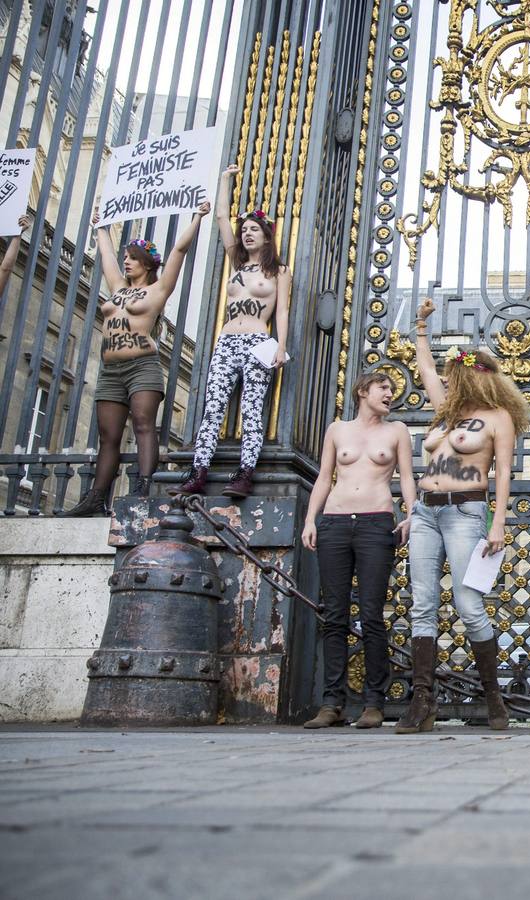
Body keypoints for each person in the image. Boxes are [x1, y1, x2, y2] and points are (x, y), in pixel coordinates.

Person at [396, 297, 530, 734]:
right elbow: (424, 371)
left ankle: (494, 699)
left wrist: (498, 523)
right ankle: (422, 705)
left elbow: (505, 472)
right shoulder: (444, 413)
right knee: (423, 605)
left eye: (459, 373)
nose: (451, 380)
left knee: (469, 605)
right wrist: (420, 326)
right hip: (424, 514)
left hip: (466, 512)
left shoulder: (497, 418)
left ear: (477, 375)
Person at [65, 205, 210, 516]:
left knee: (144, 426)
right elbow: (106, 258)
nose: (126, 261)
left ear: (145, 263)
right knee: (108, 436)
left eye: (131, 257)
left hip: (142, 366)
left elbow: (179, 250)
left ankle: (143, 491)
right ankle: (96, 498)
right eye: (126, 258)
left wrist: (197, 217)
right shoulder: (117, 288)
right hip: (111, 370)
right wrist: (100, 227)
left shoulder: (158, 290)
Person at [300, 371, 415, 729]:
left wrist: (411, 515)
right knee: (334, 615)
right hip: (334, 523)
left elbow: (407, 477)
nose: (390, 394)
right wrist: (310, 520)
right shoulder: (337, 430)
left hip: (376, 523)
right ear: (363, 391)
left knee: (371, 614)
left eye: (392, 389)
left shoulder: (397, 431)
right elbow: (324, 476)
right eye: (384, 387)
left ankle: (373, 704)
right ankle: (331, 703)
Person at [173, 165, 291, 500]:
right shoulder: (236, 264)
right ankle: (199, 470)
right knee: (213, 406)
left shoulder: (279, 271)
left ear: (267, 235)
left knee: (252, 408)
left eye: (254, 229)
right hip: (227, 341)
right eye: (246, 230)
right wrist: (224, 179)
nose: (247, 234)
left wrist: (280, 346)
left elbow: (282, 310)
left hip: (258, 343)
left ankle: (245, 473)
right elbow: (223, 219)